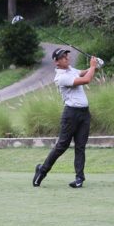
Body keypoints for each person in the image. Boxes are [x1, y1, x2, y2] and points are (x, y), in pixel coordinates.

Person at [33, 48, 98, 188]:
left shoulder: (71, 70)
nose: (67, 58)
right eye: (63, 57)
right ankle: (41, 171)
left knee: (80, 146)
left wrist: (96, 65)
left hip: (84, 113)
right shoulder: (61, 77)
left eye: (67, 55)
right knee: (62, 146)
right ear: (56, 62)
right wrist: (93, 67)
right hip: (71, 115)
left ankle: (79, 179)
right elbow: (86, 80)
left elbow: (84, 73)